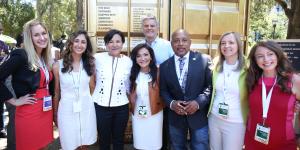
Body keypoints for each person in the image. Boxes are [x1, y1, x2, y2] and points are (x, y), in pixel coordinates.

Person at [0, 19, 54, 149]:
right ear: (29, 38)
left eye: (44, 33)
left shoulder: (44, 57)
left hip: (46, 110)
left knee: (42, 146)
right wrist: (14, 101)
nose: (42, 37)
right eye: (36, 35)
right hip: (29, 111)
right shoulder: (22, 55)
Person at [159, 29, 212, 150]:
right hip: (175, 117)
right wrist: (172, 104)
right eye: (176, 41)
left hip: (198, 116)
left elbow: (210, 87)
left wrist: (198, 103)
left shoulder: (203, 60)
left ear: (190, 42)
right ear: (171, 44)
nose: (180, 44)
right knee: (177, 147)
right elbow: (163, 90)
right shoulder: (164, 66)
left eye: (184, 40)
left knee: (200, 147)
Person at [244, 41, 300, 149]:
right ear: (255, 60)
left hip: (283, 144)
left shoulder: (293, 80)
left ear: (278, 55)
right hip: (253, 142)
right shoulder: (251, 80)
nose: (266, 59)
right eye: (260, 56)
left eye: (270, 54)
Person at [53, 30, 97, 150]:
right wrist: (55, 113)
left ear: (86, 45)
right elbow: (57, 92)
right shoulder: (58, 65)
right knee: (69, 143)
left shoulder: (90, 64)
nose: (79, 45)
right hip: (67, 110)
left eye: (83, 42)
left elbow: (92, 88)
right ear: (71, 43)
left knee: (84, 144)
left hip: (86, 109)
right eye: (76, 41)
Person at [207, 32, 248, 150]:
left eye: (231, 42)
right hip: (214, 117)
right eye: (223, 43)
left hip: (236, 121)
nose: (226, 46)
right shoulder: (216, 64)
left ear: (238, 45)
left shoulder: (248, 66)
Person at [92, 29, 132, 150]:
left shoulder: (128, 61)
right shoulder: (97, 58)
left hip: (121, 107)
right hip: (100, 106)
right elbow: (90, 79)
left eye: (118, 41)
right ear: (106, 44)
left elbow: (128, 85)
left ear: (122, 43)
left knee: (119, 139)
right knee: (103, 139)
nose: (114, 44)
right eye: (110, 41)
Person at [141, 14, 174, 150]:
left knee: (163, 127)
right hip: (144, 94)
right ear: (143, 29)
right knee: (146, 125)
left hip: (163, 94)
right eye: (146, 26)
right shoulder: (139, 46)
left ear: (158, 28)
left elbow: (174, 67)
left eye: (152, 26)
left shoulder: (167, 46)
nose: (149, 28)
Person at [129, 43, 164, 149]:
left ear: (151, 56)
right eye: (138, 56)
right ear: (135, 58)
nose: (142, 58)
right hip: (138, 112)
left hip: (155, 113)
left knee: (154, 142)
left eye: (145, 55)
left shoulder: (159, 72)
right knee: (140, 142)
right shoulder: (132, 74)